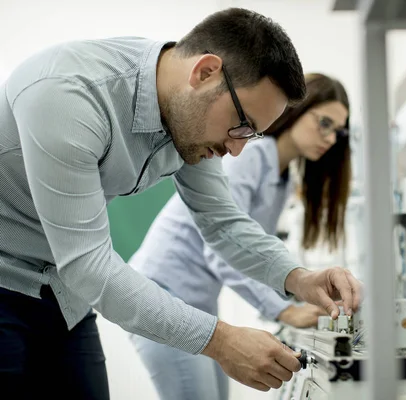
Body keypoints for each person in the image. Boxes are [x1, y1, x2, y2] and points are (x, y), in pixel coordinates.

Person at [0, 8, 362, 399]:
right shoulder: (66, 95)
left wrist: (299, 278)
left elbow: (222, 222)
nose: (237, 150)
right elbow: (90, 265)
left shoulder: (186, 116)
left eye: (253, 135)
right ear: (205, 72)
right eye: (242, 124)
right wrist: (221, 340)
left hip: (64, 296)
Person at [128, 72, 352, 400]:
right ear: (298, 111)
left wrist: (299, 291)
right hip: (162, 294)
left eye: (338, 131)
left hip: (198, 305)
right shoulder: (250, 156)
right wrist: (284, 310)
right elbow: (222, 250)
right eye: (324, 123)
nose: (331, 138)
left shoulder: (283, 178)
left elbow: (257, 251)